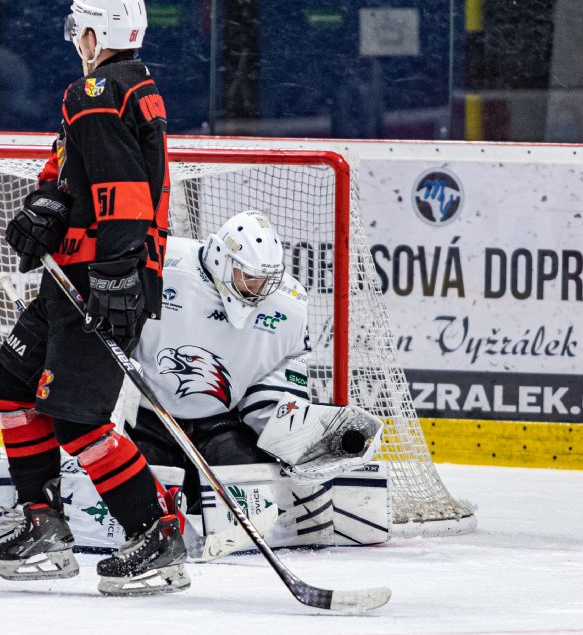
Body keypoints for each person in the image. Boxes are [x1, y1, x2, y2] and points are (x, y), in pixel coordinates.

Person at [0, 0, 188, 597]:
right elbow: (83, 175)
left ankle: (155, 532)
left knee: (78, 420)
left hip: (98, 283)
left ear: (96, 35)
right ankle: (43, 521)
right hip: (77, 278)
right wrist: (47, 206)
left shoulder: (97, 91)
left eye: (80, 29)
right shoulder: (127, 89)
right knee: (11, 385)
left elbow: (124, 191)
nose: (76, 41)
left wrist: (118, 272)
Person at [124, 211, 386, 552]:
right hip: (146, 416)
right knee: (141, 483)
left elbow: (272, 388)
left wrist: (298, 436)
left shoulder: (288, 306)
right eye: (248, 277)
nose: (258, 289)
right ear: (220, 259)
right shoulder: (161, 263)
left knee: (248, 481)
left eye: (265, 280)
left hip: (219, 419)